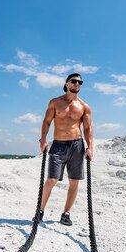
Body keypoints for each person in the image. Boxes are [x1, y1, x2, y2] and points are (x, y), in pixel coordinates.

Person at [38, 73, 93, 226]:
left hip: (77, 145)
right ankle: (40, 211)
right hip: (58, 144)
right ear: (67, 84)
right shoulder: (55, 102)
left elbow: (88, 128)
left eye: (80, 82)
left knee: (74, 183)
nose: (77, 84)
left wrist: (90, 147)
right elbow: (47, 121)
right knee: (51, 180)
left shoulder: (84, 106)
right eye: (74, 81)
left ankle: (66, 214)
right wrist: (43, 139)